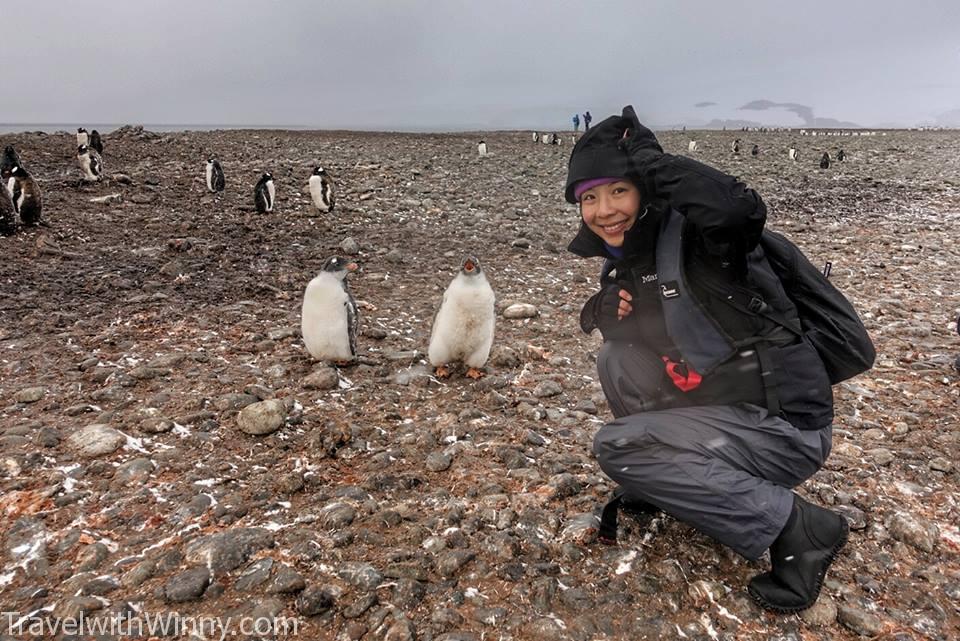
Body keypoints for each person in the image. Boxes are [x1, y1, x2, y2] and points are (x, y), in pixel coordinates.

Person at [565, 105, 851, 613]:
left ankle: (800, 527)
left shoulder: (708, 240)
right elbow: (664, 336)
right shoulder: (639, 256)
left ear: (644, 191)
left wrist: (652, 164)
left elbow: (737, 208)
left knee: (618, 447)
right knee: (616, 357)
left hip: (784, 426)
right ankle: (680, 481)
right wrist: (610, 312)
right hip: (728, 414)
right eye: (589, 197)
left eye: (618, 190)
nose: (603, 209)